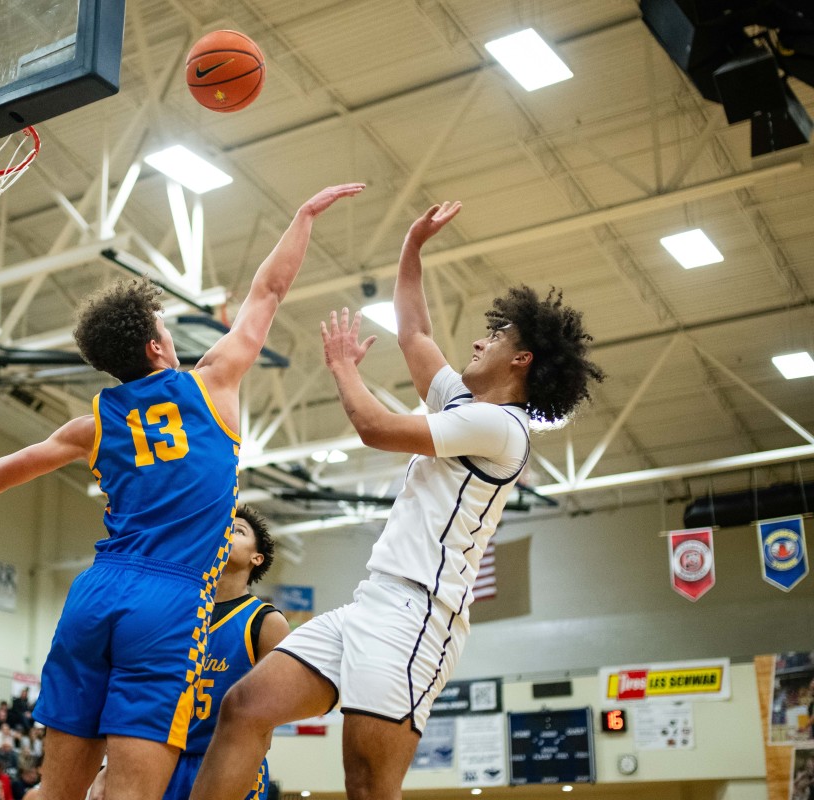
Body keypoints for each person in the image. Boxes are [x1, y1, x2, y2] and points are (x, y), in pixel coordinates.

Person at [0, 183, 364, 800]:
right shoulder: (213, 384)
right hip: (167, 601)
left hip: (95, 593)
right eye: (165, 328)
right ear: (155, 346)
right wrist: (301, 216)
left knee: (53, 793)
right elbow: (267, 292)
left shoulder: (91, 424)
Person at [190, 202, 605, 800]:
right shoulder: (462, 403)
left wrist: (342, 369)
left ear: (522, 359)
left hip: (419, 619)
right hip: (372, 601)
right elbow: (415, 331)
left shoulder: (503, 428)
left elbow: (377, 429)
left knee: (366, 785)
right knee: (244, 707)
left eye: (496, 335)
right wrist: (413, 246)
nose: (480, 339)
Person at [92, 505, 286, 800]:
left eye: (238, 530)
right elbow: (137, 698)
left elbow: (267, 719)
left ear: (255, 558)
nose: (226, 532)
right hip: (159, 756)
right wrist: (111, 765)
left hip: (226, 761)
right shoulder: (173, 613)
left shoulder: (266, 622)